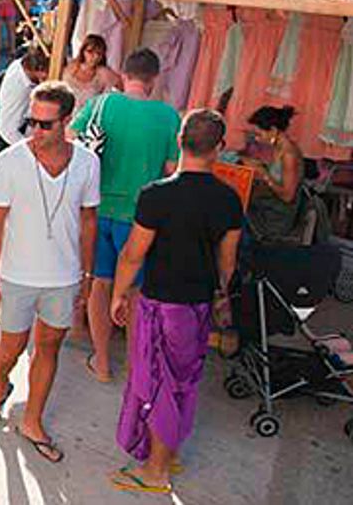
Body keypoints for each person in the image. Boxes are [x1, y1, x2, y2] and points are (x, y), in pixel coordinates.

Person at [109, 109, 242, 494]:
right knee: (182, 383)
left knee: (158, 385)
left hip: (161, 305)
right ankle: (166, 453)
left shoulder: (156, 194)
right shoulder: (228, 200)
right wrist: (215, 297)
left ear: (180, 141)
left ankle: (155, 472)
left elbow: (133, 254)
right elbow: (227, 264)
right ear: (219, 148)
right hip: (197, 306)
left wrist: (118, 293)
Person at [0, 82, 100, 463]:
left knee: (48, 348)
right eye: (31, 122)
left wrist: (87, 275)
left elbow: (89, 221)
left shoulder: (87, 163)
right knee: (10, 349)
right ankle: (0, 384)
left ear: (66, 121)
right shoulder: (9, 161)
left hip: (63, 280)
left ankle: (32, 420)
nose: (35, 131)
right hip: (16, 278)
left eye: (45, 125)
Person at [69, 48, 181, 383]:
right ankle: (135, 368)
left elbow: (71, 140)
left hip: (98, 209)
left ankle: (102, 362)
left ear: (124, 74)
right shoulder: (168, 116)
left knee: (100, 285)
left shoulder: (102, 104)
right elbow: (171, 171)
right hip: (140, 219)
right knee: (133, 293)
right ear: (154, 78)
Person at [243, 105, 303, 241]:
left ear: (273, 130)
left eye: (259, 134)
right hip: (269, 206)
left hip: (277, 218)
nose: (257, 139)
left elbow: (288, 196)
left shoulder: (289, 154)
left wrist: (263, 173)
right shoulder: (278, 148)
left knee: (231, 212)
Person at [0, 45, 50, 147]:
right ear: (39, 70)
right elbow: (7, 131)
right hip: (17, 140)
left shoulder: (24, 65)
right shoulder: (18, 88)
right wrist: (32, 150)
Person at [63, 34, 123, 108]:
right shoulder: (71, 67)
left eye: (98, 53)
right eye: (90, 52)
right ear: (83, 51)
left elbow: (123, 84)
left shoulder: (103, 73)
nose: (95, 57)